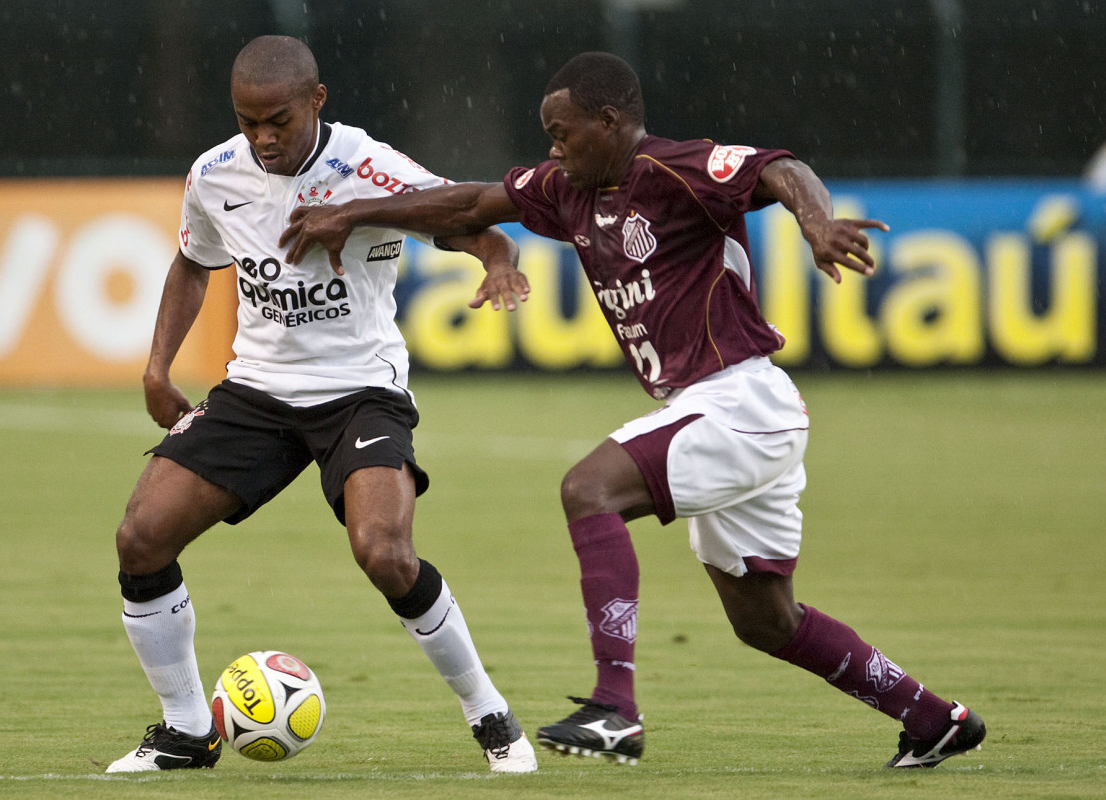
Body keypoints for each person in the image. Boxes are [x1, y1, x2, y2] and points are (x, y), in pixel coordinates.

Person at [279, 51, 987, 769]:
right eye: (548, 136)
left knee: (588, 490)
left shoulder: (678, 169)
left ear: (609, 122)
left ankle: (614, 708)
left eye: (564, 132)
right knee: (767, 623)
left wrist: (815, 224)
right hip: (718, 412)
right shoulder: (566, 187)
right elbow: (466, 205)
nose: (553, 148)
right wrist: (355, 214)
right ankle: (934, 719)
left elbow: (783, 169)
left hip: (740, 398)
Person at [105, 35, 537, 774]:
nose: (263, 138)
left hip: (360, 393)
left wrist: (500, 264)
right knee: (141, 538)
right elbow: (192, 261)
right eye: (248, 122)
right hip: (258, 392)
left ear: (317, 100)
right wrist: (156, 365)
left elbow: (477, 228)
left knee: (385, 553)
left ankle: (492, 718)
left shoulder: (373, 169)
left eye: (278, 120)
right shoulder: (214, 174)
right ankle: (185, 731)